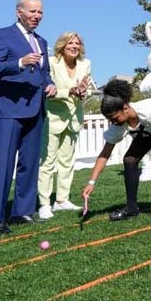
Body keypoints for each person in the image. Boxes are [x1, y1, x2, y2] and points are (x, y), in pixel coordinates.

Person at [0, 0, 57, 234]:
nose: (37, 16)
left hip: (35, 109)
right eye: (33, 11)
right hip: (8, 109)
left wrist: (50, 84)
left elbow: (43, 73)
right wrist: (20, 62)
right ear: (19, 12)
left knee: (29, 164)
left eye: (41, 12)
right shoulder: (1, 35)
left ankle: (21, 212)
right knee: (4, 165)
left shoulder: (42, 41)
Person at [82, 79, 151, 222]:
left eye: (115, 118)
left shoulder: (149, 110)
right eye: (110, 120)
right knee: (129, 159)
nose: (114, 122)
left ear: (125, 108)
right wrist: (91, 182)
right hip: (149, 129)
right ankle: (131, 208)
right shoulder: (118, 125)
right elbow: (105, 153)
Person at [37, 32, 92, 221]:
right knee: (47, 163)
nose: (74, 46)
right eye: (70, 43)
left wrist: (84, 93)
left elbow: (87, 88)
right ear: (62, 45)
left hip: (74, 118)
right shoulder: (51, 62)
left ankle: (61, 200)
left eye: (77, 43)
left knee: (67, 163)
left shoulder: (85, 64)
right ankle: (44, 204)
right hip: (52, 118)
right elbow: (47, 90)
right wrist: (70, 91)